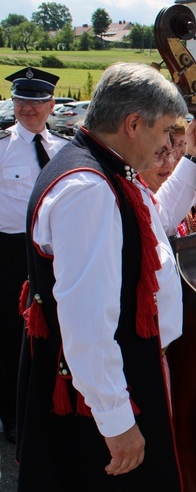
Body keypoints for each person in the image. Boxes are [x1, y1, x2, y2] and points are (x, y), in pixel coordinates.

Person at [16, 62, 196, 491]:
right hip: (104, 387)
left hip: (123, 367)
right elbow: (87, 323)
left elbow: (155, 221)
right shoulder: (90, 188)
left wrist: (194, 159)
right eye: (166, 131)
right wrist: (116, 420)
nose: (168, 143)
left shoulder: (106, 167)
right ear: (132, 124)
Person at [0, 67, 67, 444]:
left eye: (38, 100)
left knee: (51, 330)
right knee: (10, 334)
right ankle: (11, 413)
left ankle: (45, 405)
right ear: (13, 102)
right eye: (23, 99)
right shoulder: (2, 148)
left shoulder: (64, 149)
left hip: (53, 254)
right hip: (9, 253)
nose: (30, 107)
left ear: (51, 105)